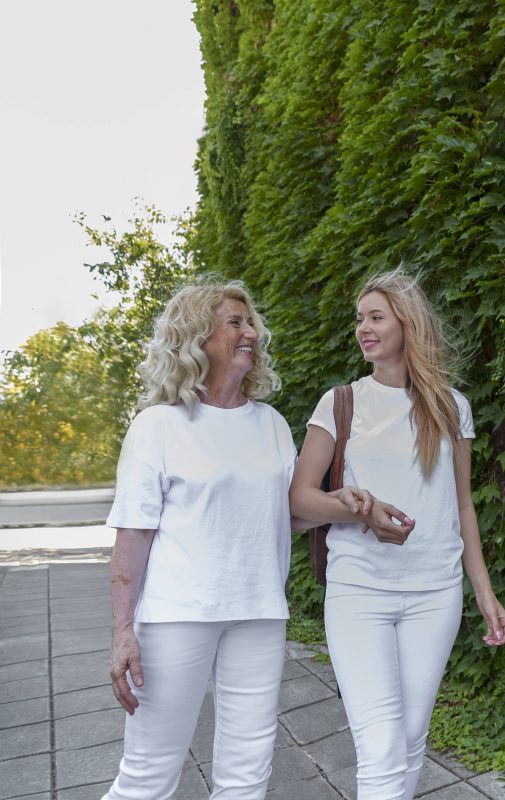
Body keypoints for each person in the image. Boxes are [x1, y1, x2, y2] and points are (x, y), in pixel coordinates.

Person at [290, 266, 505, 800]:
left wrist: (483, 591)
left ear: (408, 324)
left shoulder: (451, 406)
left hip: (435, 593)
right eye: (359, 319)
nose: (363, 329)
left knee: (411, 741)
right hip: (360, 591)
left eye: (376, 318)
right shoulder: (341, 403)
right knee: (383, 748)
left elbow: (462, 504)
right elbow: (299, 499)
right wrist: (358, 511)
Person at [103, 279, 326, 799]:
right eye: (235, 323)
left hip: (259, 611)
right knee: (148, 773)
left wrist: (350, 505)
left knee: (248, 772)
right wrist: (122, 632)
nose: (251, 333)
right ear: (196, 338)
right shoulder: (157, 426)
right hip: (178, 615)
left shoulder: (271, 424)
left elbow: (289, 514)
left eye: (251, 324)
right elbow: (132, 536)